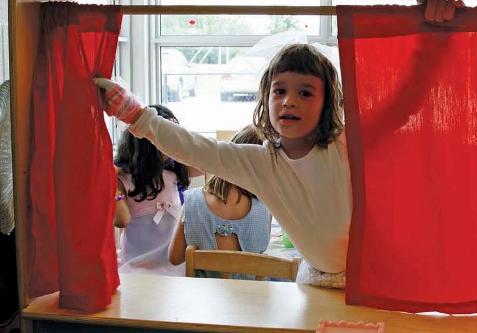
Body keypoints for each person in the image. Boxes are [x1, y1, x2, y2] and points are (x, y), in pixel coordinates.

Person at [95, 43, 349, 288]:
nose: (289, 101)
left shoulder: (343, 146)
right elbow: (195, 148)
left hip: (363, 272)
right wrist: (132, 112)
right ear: (266, 98)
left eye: (305, 93)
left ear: (326, 102)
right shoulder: (262, 162)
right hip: (317, 278)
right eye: (280, 91)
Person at [168, 125, 272, 279]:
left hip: (205, 301)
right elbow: (261, 247)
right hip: (250, 299)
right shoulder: (265, 207)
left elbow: (174, 258)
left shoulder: (192, 202)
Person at [113, 104, 192, 276]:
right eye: (167, 139)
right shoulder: (124, 179)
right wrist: (113, 185)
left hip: (173, 268)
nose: (173, 146)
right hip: (136, 267)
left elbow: (206, 165)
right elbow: (122, 220)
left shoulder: (174, 172)